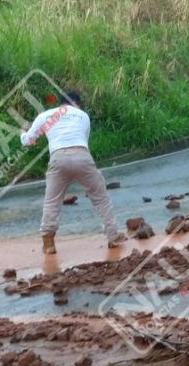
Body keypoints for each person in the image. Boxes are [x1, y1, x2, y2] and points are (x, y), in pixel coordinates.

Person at [20, 91, 124, 254]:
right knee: (101, 198)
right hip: (82, 156)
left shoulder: (44, 116)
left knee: (52, 201)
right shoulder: (83, 116)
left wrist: (23, 132)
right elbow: (83, 140)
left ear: (60, 103)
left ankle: (48, 244)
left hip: (58, 159)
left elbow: (28, 142)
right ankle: (113, 237)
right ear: (76, 103)